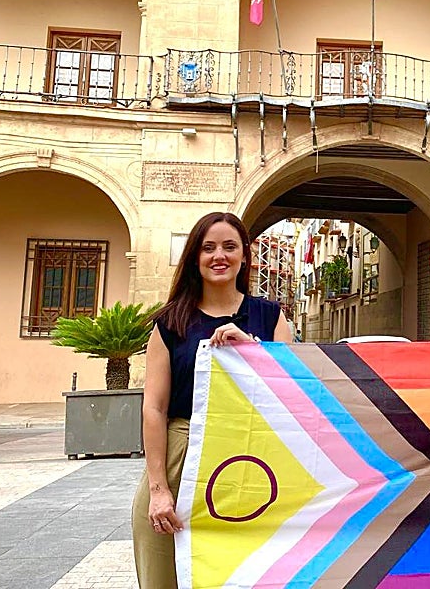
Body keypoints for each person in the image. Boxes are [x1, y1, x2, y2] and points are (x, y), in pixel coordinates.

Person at [132, 212, 293, 588]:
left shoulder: (269, 317)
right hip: (179, 453)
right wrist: (158, 489)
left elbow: (288, 395)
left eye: (229, 246)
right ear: (195, 257)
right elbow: (153, 408)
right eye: (208, 247)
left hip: (247, 459)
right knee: (162, 573)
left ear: (244, 256)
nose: (218, 255)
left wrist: (253, 349)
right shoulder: (171, 322)